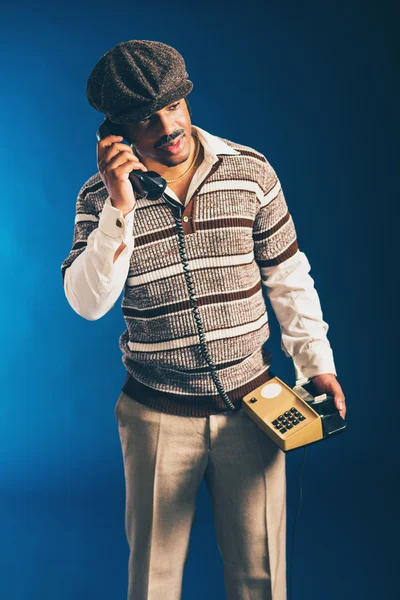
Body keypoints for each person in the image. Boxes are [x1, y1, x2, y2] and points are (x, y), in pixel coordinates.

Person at [61, 40, 346, 600]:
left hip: (255, 408)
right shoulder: (100, 199)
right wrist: (120, 207)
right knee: (153, 583)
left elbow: (289, 278)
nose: (167, 126)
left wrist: (316, 365)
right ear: (115, 132)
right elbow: (87, 302)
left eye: (174, 105)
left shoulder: (251, 171)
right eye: (145, 118)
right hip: (156, 415)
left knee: (260, 580)